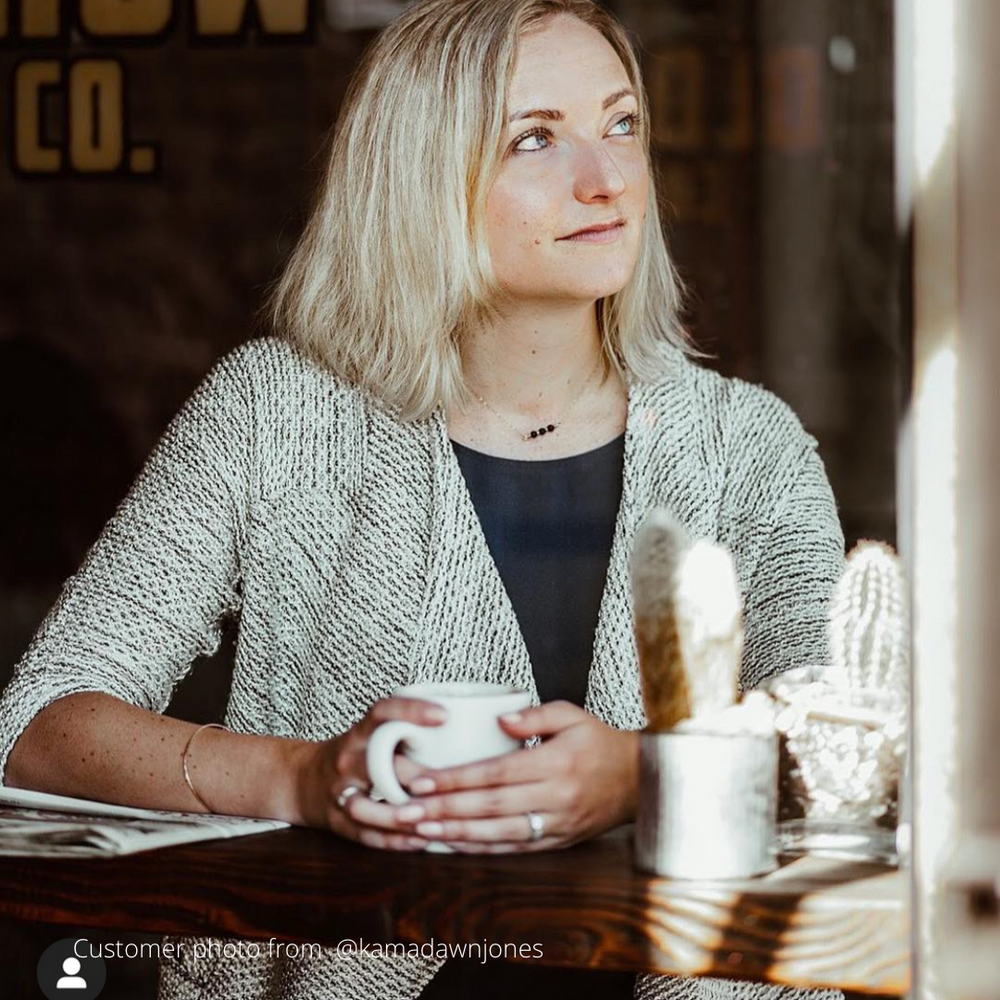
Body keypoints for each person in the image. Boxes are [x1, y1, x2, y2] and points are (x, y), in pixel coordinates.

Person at [0, 1, 845, 998]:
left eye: (622, 125)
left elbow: (841, 742)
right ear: (419, 180)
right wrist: (308, 779)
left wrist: (644, 773)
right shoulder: (271, 411)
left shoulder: (746, 444)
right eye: (536, 138)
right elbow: (35, 728)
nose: (607, 177)